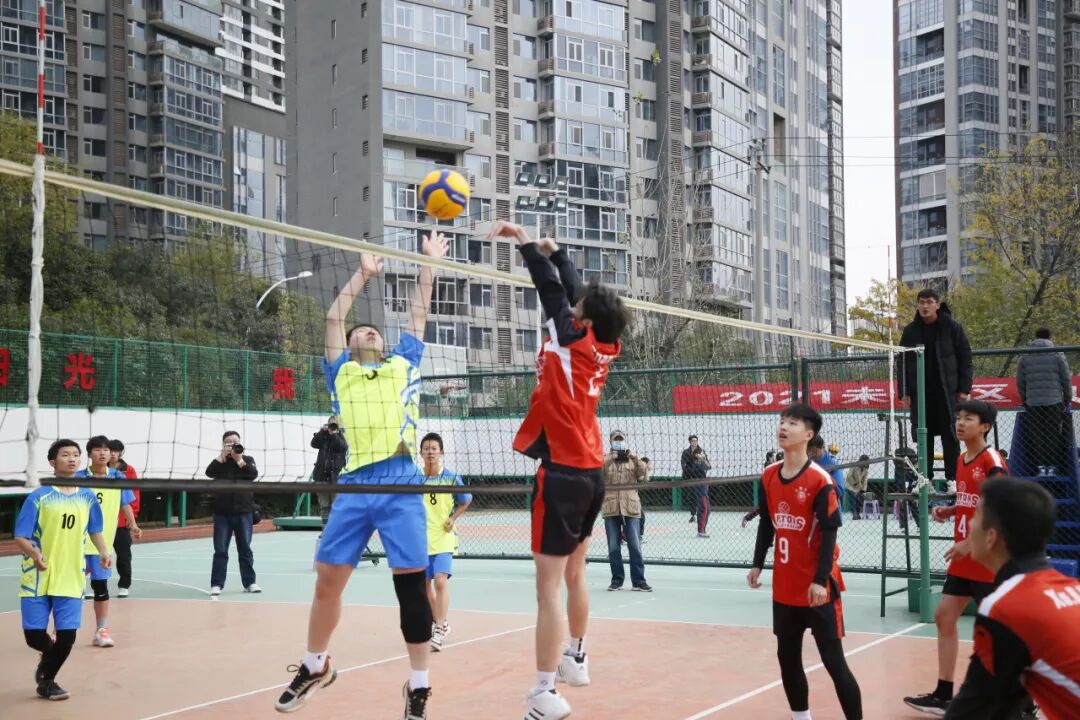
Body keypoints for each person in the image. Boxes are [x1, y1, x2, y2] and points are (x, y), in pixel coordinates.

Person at [275, 232, 448, 719]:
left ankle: (418, 686)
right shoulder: (341, 373)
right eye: (362, 332)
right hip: (355, 484)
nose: (369, 333)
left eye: (374, 332)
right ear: (350, 346)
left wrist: (428, 263)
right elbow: (333, 318)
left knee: (411, 587)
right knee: (327, 580)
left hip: (400, 481)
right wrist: (364, 273)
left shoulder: (403, 364)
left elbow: (418, 313)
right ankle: (315, 665)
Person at [494, 220, 630, 720]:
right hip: (591, 472)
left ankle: (543, 692)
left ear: (583, 317)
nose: (572, 307)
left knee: (547, 588)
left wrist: (526, 244)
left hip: (563, 473)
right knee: (576, 572)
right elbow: (575, 293)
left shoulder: (569, 336)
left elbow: (552, 291)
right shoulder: (605, 343)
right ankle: (577, 655)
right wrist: (561, 253)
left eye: (578, 308)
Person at [748, 403, 863, 720]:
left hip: (817, 587)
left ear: (809, 434)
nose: (784, 427)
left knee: (833, 661)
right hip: (785, 585)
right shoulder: (768, 475)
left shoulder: (820, 480)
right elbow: (767, 523)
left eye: (793, 423)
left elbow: (829, 533)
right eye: (782, 421)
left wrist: (820, 580)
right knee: (787, 657)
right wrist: (757, 563)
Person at [903, 400, 1009, 715]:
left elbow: (998, 507)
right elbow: (975, 500)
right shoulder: (962, 459)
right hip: (965, 560)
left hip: (987, 559)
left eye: (968, 418)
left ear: (985, 426)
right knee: (944, 616)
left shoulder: (992, 461)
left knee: (1000, 633)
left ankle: (1024, 703)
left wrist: (969, 542)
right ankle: (943, 694)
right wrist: (952, 510)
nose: (960, 423)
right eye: (958, 417)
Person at [945, 477, 1080, 719]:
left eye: (975, 517)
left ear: (991, 537)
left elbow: (969, 711)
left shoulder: (1007, 608)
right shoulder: (1072, 588)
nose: (969, 525)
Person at [16, 439, 111, 700]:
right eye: (65, 454)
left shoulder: (87, 496)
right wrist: (34, 553)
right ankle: (48, 659)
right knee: (34, 637)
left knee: (67, 637)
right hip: (38, 573)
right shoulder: (39, 496)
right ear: (52, 462)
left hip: (71, 574)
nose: (72, 459)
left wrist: (104, 551)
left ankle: (47, 681)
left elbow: (95, 529)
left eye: (76, 455)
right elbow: (21, 536)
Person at [900, 289, 974, 486]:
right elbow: (902, 362)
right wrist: (904, 391)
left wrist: (964, 389)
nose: (925, 306)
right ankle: (926, 480)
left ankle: (952, 480)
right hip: (920, 393)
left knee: (951, 435)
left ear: (937, 305)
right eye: (921, 302)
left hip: (948, 393)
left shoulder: (952, 327)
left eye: (929, 302)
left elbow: (965, 358)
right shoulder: (910, 331)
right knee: (923, 436)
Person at [76, 435, 140, 648]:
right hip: (75, 543)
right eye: (97, 449)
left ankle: (101, 631)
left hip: (102, 545)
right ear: (89, 454)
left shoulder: (118, 477)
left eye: (106, 449)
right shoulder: (78, 478)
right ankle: (60, 631)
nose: (103, 453)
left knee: (100, 587)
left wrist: (133, 525)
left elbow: (125, 503)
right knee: (69, 590)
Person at [420, 432, 472, 652]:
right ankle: (441, 622)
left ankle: (439, 630)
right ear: (421, 453)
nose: (430, 452)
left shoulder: (450, 477)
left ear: (441, 452)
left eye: (434, 448)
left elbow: (466, 500)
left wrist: (453, 518)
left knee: (440, 582)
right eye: (426, 448)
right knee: (424, 586)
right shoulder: (415, 478)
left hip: (444, 537)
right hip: (422, 539)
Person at [206, 431, 260, 596]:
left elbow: (253, 474)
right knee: (220, 550)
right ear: (223, 444)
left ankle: (250, 582)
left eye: (235, 442)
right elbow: (209, 472)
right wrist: (221, 456)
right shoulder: (220, 462)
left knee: (245, 549)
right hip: (222, 513)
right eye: (228, 442)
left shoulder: (247, 460)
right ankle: (217, 584)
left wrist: (239, 460)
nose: (232, 445)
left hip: (244, 512)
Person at [1015, 327, 1072, 472]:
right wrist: (1067, 398)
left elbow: (1020, 381)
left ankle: (1041, 467)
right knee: (1053, 433)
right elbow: (1066, 379)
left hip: (1033, 403)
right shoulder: (1057, 354)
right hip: (1054, 401)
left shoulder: (1025, 356)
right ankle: (1052, 467)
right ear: (1049, 337)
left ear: (1036, 337)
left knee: (1037, 435)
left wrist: (1025, 399)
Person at [601, 430, 651, 592]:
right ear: (610, 442)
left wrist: (636, 458)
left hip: (631, 507)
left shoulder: (633, 459)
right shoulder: (604, 459)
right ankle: (617, 580)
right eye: (616, 440)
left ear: (625, 441)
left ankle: (639, 581)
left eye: (621, 439)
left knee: (635, 545)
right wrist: (610, 459)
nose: (619, 442)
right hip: (611, 507)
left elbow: (644, 475)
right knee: (613, 546)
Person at [108, 439, 139, 597]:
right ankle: (95, 584)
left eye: (116, 451)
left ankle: (124, 585)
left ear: (120, 453)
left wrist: (132, 517)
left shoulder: (129, 470)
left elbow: (134, 493)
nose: (113, 453)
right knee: (94, 554)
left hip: (121, 521)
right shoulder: (98, 471)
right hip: (102, 521)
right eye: (110, 450)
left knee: (124, 555)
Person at [311, 415, 348, 523]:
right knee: (324, 506)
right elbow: (313, 444)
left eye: (335, 424)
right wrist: (322, 431)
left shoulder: (342, 437)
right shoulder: (323, 436)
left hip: (336, 478)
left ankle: (336, 529)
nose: (332, 426)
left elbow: (343, 447)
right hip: (322, 477)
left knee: (336, 506)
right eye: (331, 424)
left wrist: (334, 434)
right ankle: (325, 529)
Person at [809, 436, 845, 524]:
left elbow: (839, 490)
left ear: (822, 448)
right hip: (811, 511)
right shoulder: (808, 461)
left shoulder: (832, 463)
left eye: (814, 451)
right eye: (809, 451)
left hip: (829, 509)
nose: (812, 454)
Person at [681, 435, 709, 525]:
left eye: (696, 441)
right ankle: (693, 514)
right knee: (691, 496)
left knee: (701, 497)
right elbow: (684, 465)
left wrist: (702, 461)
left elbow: (707, 465)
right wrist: (689, 473)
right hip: (689, 478)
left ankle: (700, 514)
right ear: (689, 442)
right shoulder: (685, 452)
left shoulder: (701, 451)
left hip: (700, 479)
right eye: (693, 441)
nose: (695, 442)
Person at [846, 456, 870, 521]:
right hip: (851, 485)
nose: (867, 463)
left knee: (859, 500)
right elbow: (849, 476)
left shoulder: (866, 469)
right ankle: (854, 514)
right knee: (853, 499)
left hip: (859, 487)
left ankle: (858, 513)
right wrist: (855, 484)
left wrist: (863, 489)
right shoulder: (854, 466)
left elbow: (865, 480)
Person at [638, 456, 651, 541]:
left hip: (635, 498)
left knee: (640, 516)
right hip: (631, 498)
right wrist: (645, 469)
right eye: (649, 464)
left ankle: (639, 536)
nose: (651, 466)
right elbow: (641, 478)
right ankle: (638, 536)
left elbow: (646, 481)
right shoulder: (639, 472)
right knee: (640, 517)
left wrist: (646, 470)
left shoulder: (644, 472)